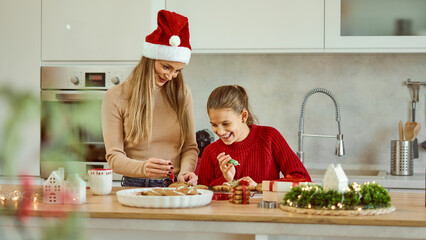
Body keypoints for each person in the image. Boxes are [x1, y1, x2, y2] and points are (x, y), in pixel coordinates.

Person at [102, 10, 198, 187]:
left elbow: (190, 147)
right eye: (166, 67)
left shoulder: (182, 93)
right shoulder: (115, 97)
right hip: (134, 185)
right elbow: (114, 157)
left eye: (177, 71)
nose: (170, 76)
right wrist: (143, 168)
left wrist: (185, 172)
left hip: (173, 185)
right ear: (150, 59)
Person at [197, 85, 311, 186]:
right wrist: (227, 180)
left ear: (243, 116)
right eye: (214, 125)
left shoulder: (269, 137)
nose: (220, 132)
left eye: (226, 124)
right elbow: (203, 194)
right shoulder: (210, 152)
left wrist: (260, 186)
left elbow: (302, 179)